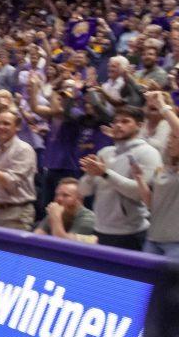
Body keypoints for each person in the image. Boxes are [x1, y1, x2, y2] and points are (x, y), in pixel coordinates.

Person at [79, 105, 162, 250]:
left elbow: (140, 193)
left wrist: (105, 174)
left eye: (125, 121)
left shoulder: (148, 153)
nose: (118, 125)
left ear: (139, 126)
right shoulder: (105, 152)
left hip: (130, 232)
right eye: (116, 121)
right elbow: (83, 191)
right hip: (100, 229)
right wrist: (90, 176)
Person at [133, 124, 179, 259]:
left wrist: (162, 106)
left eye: (175, 137)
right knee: (146, 279)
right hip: (153, 239)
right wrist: (139, 178)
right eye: (170, 136)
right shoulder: (162, 169)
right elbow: (150, 204)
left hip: (176, 242)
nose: (170, 140)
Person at [34, 178, 97, 243]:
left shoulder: (87, 218)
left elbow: (64, 245)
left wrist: (55, 217)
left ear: (79, 199)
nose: (59, 199)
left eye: (65, 195)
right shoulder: (56, 212)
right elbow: (36, 238)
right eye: (57, 195)